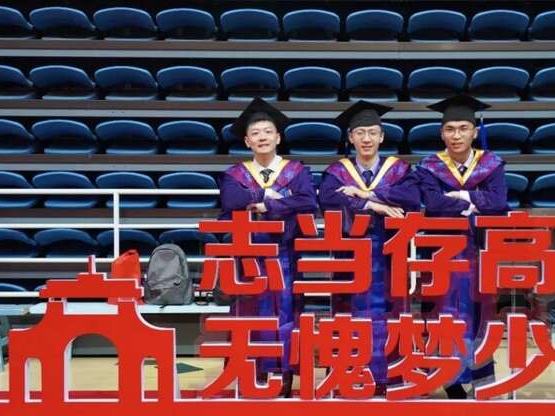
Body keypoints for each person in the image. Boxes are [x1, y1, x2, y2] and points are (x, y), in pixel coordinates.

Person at [216, 97, 317, 397]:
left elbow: (308, 202)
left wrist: (265, 204)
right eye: (256, 133)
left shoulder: (297, 171)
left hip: (285, 255)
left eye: (268, 132)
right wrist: (270, 195)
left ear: (278, 137)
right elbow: (231, 201)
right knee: (248, 314)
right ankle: (251, 372)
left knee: (285, 315)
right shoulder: (234, 174)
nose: (262, 137)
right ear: (247, 141)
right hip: (248, 257)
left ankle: (282, 375)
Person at [318, 101, 420, 395]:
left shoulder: (399, 169)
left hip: (390, 256)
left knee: (390, 314)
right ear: (350, 137)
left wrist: (366, 192)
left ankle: (391, 377)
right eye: (360, 133)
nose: (366, 139)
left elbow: (411, 198)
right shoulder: (337, 171)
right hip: (350, 256)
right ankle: (351, 374)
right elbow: (328, 199)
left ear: (382, 136)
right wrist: (373, 205)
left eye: (372, 133)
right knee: (349, 315)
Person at [415, 94, 509, 399]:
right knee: (444, 313)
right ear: (441, 133)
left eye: (463, 128)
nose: (457, 135)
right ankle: (448, 378)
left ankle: (481, 377)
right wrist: (474, 203)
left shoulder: (491, 164)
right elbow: (433, 203)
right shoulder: (429, 167)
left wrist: (460, 197)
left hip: (479, 252)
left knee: (480, 315)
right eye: (450, 129)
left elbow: (499, 203)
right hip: (441, 253)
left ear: (474, 132)